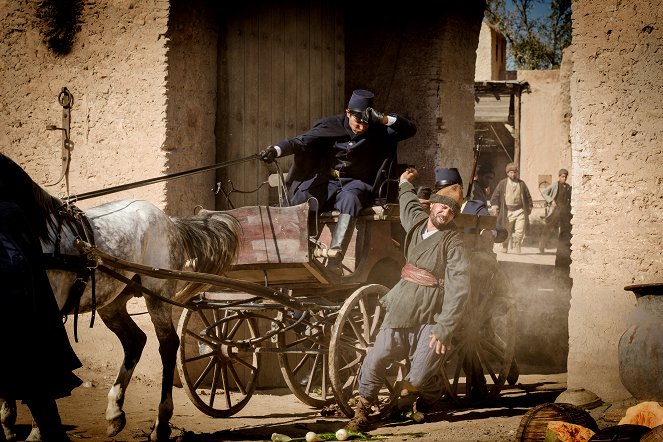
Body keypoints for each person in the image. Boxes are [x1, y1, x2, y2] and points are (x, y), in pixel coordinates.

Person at [346, 167, 470, 432]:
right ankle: (362, 409)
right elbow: (407, 203)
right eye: (443, 208)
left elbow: (459, 286)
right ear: (433, 204)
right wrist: (404, 184)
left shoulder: (453, 242)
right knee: (377, 356)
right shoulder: (415, 222)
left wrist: (445, 326)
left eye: (451, 212)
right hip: (402, 304)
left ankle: (425, 394)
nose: (445, 214)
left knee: (418, 375)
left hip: (431, 314)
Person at [258, 89, 417, 274]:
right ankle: (298, 255)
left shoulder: (378, 129)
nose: (362, 127)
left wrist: (382, 119)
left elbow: (410, 129)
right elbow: (300, 142)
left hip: (357, 183)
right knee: (304, 197)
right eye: (358, 122)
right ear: (348, 113)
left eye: (366, 123)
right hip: (328, 180)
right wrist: (276, 150)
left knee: (351, 200)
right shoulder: (331, 125)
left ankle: (335, 259)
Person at [0, 187, 82, 441]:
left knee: (35, 388)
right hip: (29, 318)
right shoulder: (12, 211)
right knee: (37, 392)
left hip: (18, 320)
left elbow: (17, 263)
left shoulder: (5, 214)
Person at [490, 163, 533, 254]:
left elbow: (528, 197)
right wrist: (495, 206)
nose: (513, 174)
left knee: (520, 230)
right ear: (507, 173)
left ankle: (517, 245)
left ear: (517, 173)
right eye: (511, 172)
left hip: (520, 211)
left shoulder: (521, 184)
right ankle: (505, 246)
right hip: (507, 211)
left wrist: (529, 208)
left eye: (514, 172)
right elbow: (494, 197)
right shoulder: (502, 183)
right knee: (506, 230)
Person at [538, 168, 572, 254]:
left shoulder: (568, 187)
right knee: (548, 228)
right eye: (563, 177)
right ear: (559, 177)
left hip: (565, 212)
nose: (564, 178)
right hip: (555, 211)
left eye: (565, 177)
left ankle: (562, 249)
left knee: (565, 230)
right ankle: (541, 246)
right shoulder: (555, 185)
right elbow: (544, 193)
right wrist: (551, 201)